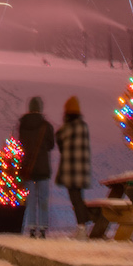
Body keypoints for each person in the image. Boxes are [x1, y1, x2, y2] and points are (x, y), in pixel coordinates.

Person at [18, 95, 54, 238]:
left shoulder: (23, 125)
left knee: (31, 199)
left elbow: (21, 144)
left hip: (28, 167)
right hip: (43, 168)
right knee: (43, 199)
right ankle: (43, 228)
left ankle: (32, 228)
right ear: (40, 108)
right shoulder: (47, 126)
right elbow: (51, 145)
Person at [55, 96, 92, 235]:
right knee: (79, 197)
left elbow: (60, 141)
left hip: (71, 169)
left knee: (75, 199)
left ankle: (82, 227)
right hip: (82, 169)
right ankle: (83, 225)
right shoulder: (83, 126)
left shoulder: (67, 128)